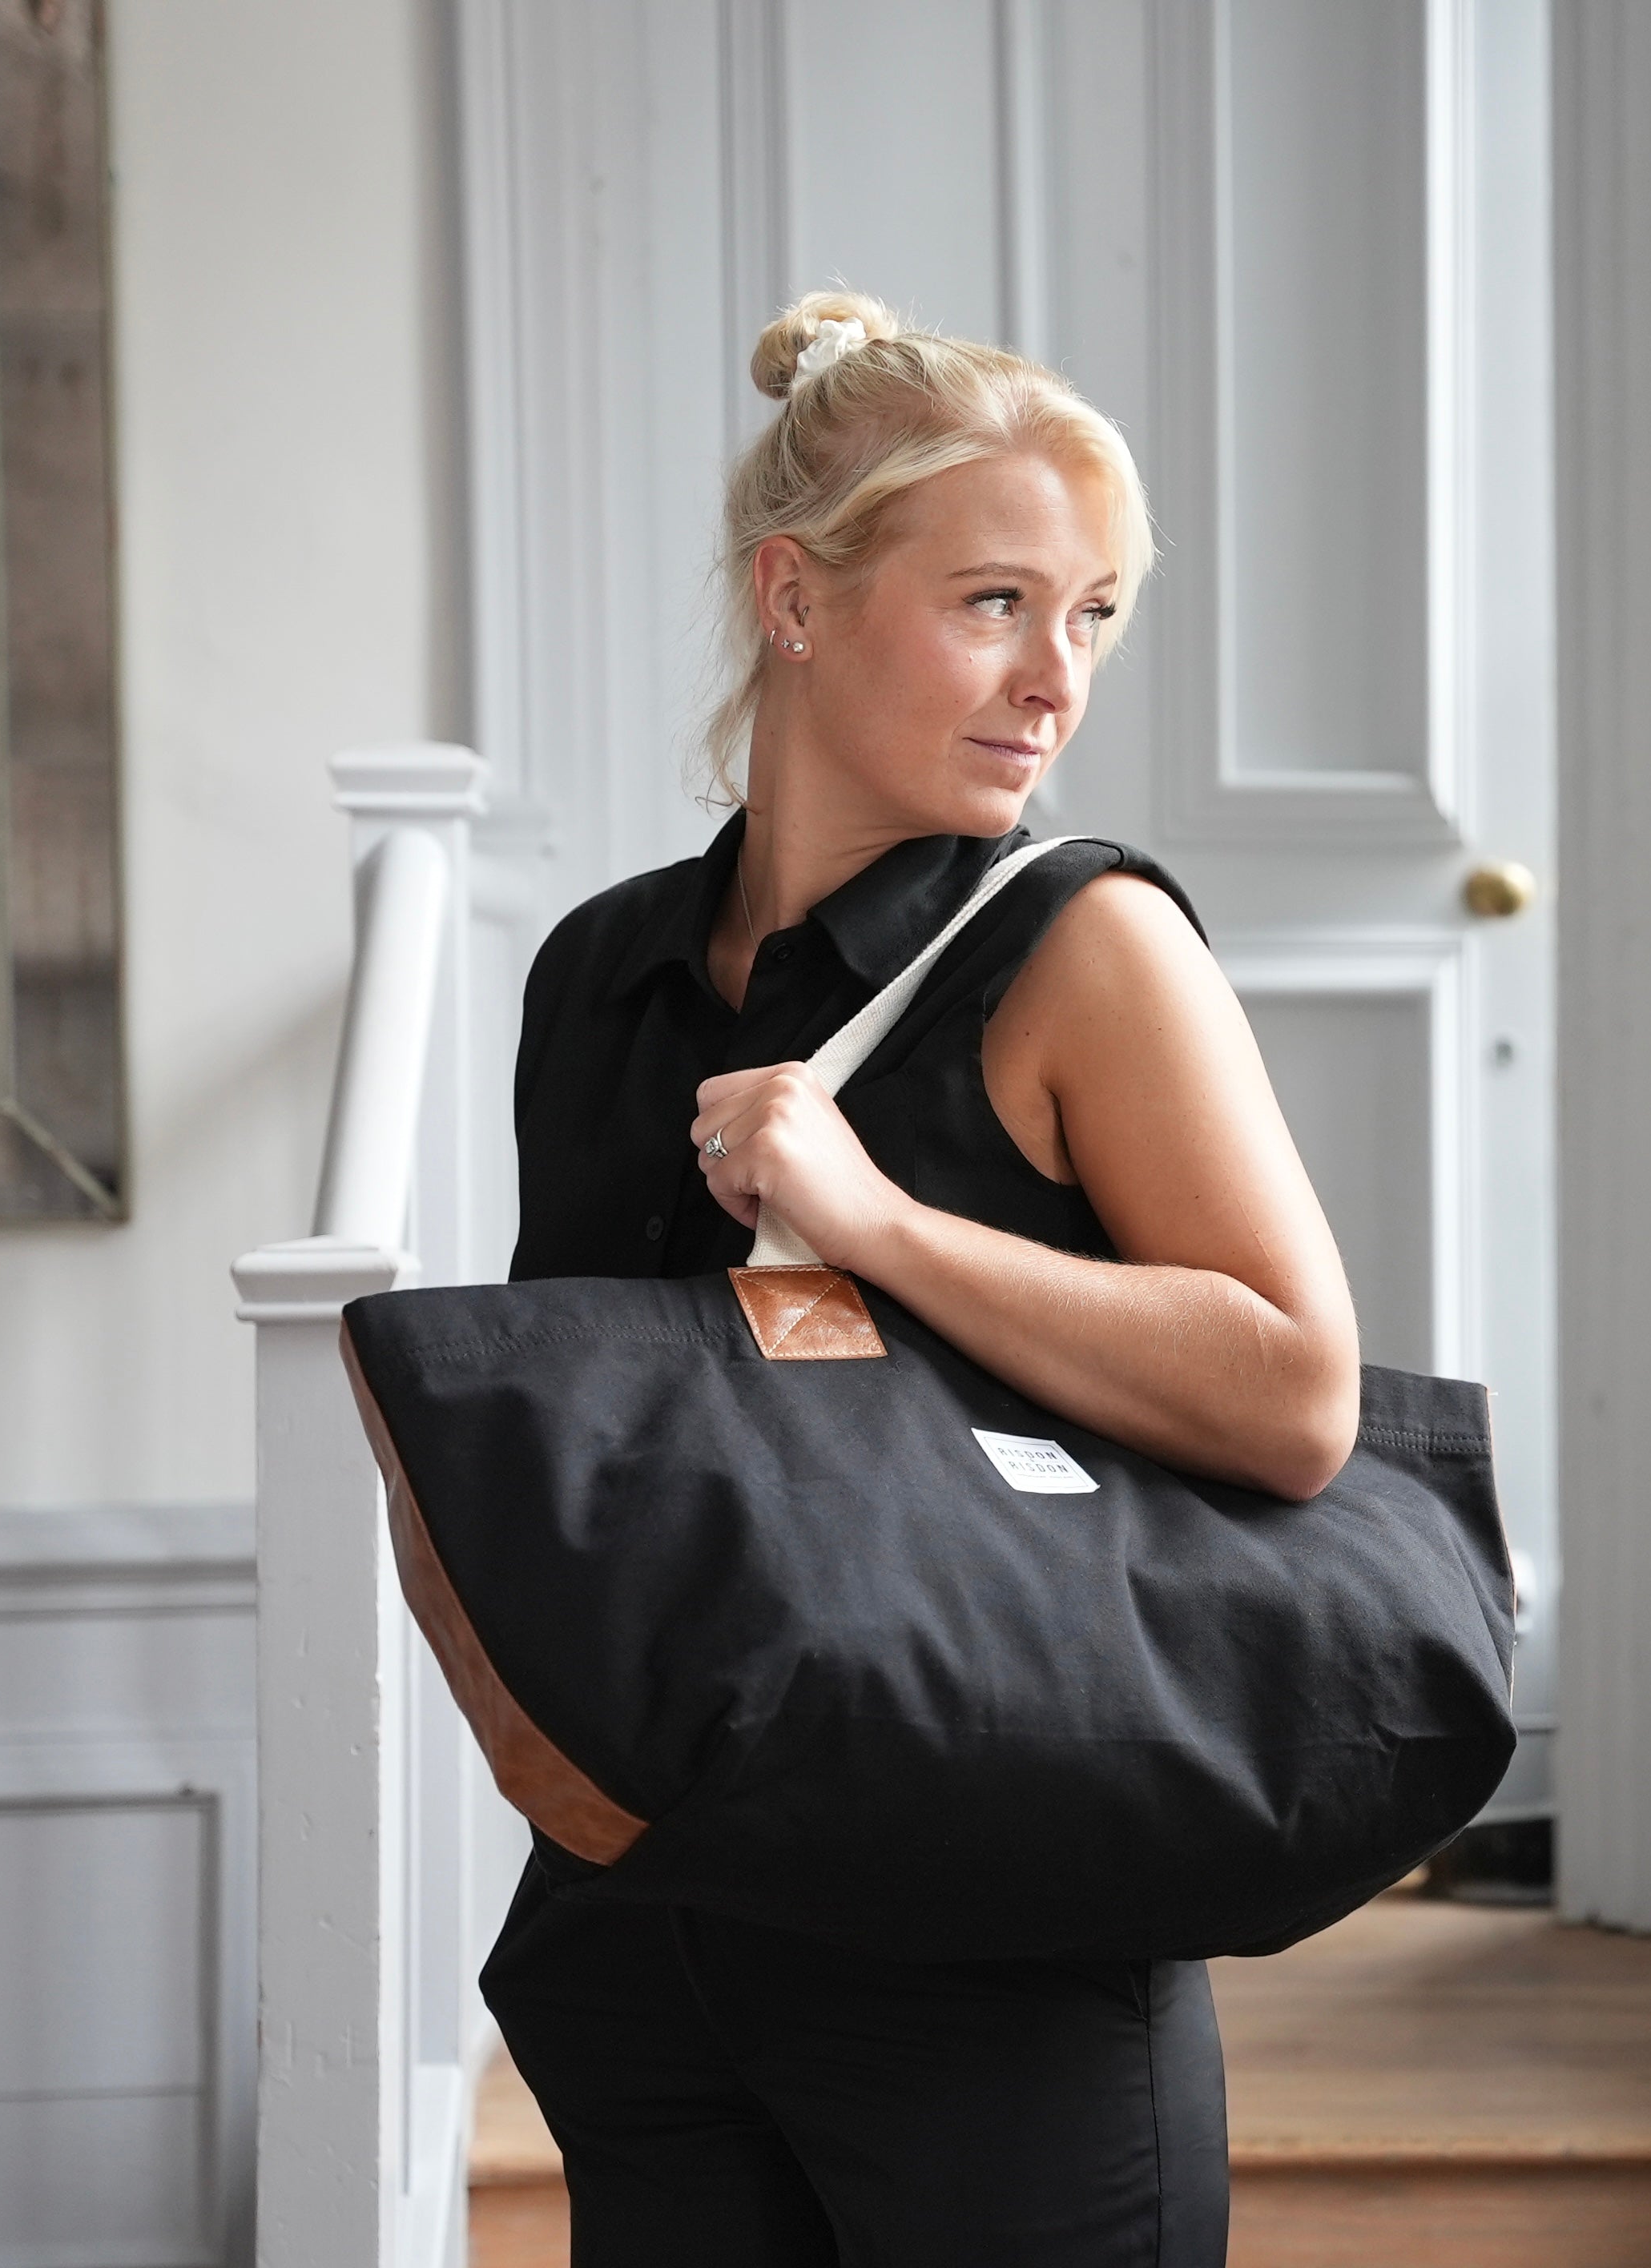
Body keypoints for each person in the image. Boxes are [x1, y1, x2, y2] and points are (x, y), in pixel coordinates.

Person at [481, 289, 1360, 2267]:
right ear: (795, 600)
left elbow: (1296, 1390)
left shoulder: (1086, 947)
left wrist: (873, 1222)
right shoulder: (599, 974)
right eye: (993, 602)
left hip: (987, 1931)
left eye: (1096, 615)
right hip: (649, 1923)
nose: (1056, 678)